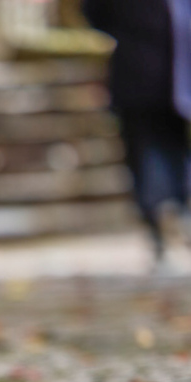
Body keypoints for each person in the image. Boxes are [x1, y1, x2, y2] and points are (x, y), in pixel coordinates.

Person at [83, 0, 191, 262]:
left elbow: (94, 14)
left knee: (156, 149)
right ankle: (166, 210)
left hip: (164, 80)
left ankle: (167, 211)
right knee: (152, 149)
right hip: (151, 79)